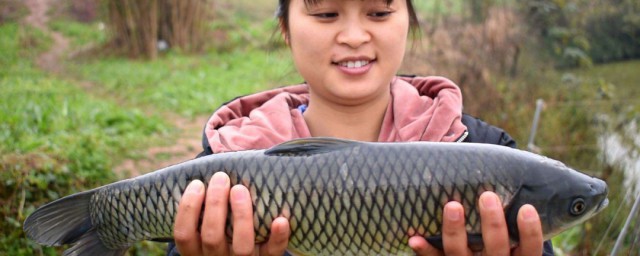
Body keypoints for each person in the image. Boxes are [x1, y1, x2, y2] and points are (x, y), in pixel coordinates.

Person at [168, 0, 554, 255]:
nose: (354, 36)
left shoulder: (489, 155)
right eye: (325, 14)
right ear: (286, 29)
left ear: (409, 22)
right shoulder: (221, 171)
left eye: (379, 12)